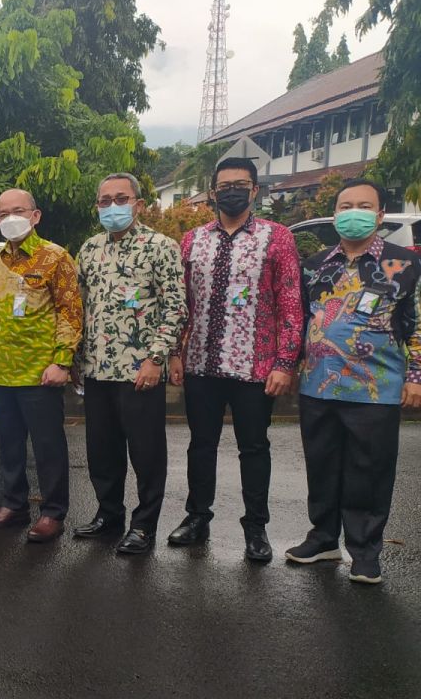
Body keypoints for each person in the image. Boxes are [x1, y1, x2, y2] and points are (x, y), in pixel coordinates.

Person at [168, 157, 303, 562]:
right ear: (212, 192)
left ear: (255, 190)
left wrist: (284, 363)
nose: (231, 191)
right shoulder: (193, 240)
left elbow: (291, 304)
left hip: (254, 367)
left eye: (240, 184)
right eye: (224, 185)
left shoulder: (277, 238)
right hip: (202, 364)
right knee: (201, 445)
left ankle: (256, 527)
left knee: (254, 448)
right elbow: (182, 304)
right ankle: (197, 517)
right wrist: (176, 351)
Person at [290, 178, 421, 584]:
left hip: (375, 385)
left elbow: (416, 323)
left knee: (370, 470)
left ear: (380, 215)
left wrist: (415, 375)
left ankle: (365, 551)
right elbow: (303, 319)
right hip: (318, 384)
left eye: (364, 206)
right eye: (345, 206)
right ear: (335, 214)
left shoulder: (406, 263)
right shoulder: (316, 265)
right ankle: (324, 538)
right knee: (322, 465)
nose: (353, 213)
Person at [72, 173, 186, 554]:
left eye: (120, 198)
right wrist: (74, 358)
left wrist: (157, 358)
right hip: (97, 369)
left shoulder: (160, 247)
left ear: (138, 204)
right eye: (104, 200)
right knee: (101, 450)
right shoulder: (89, 250)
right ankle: (109, 515)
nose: (112, 206)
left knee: (146, 452)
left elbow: (175, 307)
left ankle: (144, 525)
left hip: (140, 370)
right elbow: (78, 307)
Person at [0, 188, 83, 542]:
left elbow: (70, 312)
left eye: (18, 210)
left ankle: (53, 512)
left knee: (48, 445)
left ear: (35, 216)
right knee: (9, 445)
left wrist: (62, 361)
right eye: (4, 213)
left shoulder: (55, 257)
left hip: (41, 373)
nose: (11, 218)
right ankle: (14, 505)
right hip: (2, 372)